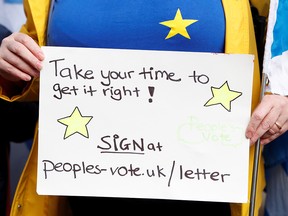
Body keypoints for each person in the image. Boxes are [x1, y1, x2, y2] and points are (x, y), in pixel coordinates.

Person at [0, 0, 280, 215]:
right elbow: (42, 72)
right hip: (82, 190)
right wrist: (11, 65)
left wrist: (284, 89)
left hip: (207, 188)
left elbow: (279, 36)